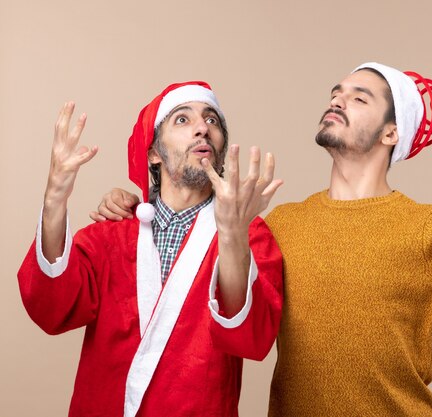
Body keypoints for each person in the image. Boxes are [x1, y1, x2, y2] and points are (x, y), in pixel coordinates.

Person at [94, 63, 432, 416]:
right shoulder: (280, 226)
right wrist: (139, 208)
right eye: (336, 94)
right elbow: (194, 266)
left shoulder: (424, 226)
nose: (338, 101)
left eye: (359, 98)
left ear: (391, 132)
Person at [18, 81, 284, 417]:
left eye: (212, 120)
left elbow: (249, 335)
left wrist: (232, 234)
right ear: (154, 152)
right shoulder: (111, 233)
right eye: (182, 120)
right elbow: (52, 307)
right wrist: (55, 196)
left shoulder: (250, 234)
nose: (203, 128)